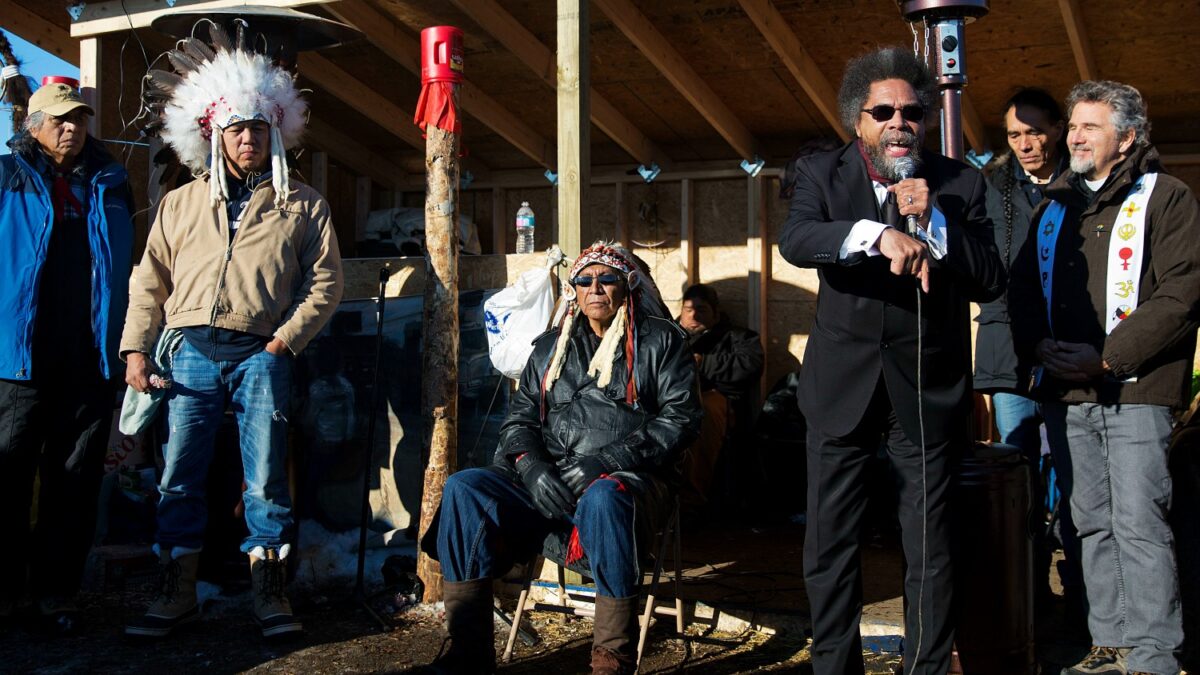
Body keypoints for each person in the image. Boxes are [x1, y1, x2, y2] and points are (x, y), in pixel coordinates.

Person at [778, 47, 1003, 674]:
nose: (898, 122)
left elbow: (988, 278)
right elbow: (796, 241)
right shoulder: (825, 175)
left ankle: (925, 668)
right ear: (859, 121)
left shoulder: (961, 183)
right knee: (830, 544)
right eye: (884, 111)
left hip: (926, 388)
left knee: (929, 546)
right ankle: (835, 667)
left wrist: (933, 222)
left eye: (911, 112)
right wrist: (877, 234)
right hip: (840, 385)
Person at [121, 42, 343, 638]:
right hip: (189, 349)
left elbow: (325, 283)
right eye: (237, 129)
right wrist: (136, 350)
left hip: (262, 353)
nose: (248, 138)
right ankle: (175, 592)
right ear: (215, 134)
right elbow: (150, 280)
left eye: (259, 128)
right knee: (178, 472)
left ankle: (269, 595)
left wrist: (282, 343)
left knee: (267, 475)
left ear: (276, 131)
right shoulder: (179, 204)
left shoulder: (305, 206)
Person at [424, 241, 701, 675]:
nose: (595, 288)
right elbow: (519, 422)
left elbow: (681, 419)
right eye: (585, 280)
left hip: (625, 480)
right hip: (550, 482)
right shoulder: (549, 347)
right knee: (464, 488)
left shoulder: (661, 341)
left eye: (607, 278)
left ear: (626, 285)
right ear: (572, 289)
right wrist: (531, 469)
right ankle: (468, 654)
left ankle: (611, 659)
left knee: (605, 497)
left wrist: (605, 461)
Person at [1010, 80, 1199, 675]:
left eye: (1090, 126)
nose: (1075, 136)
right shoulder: (1053, 207)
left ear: (1128, 137)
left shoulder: (1165, 198)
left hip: (1135, 389)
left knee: (1139, 521)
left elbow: (1182, 293)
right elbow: (1020, 291)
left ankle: (1152, 654)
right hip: (1066, 392)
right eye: (1073, 126)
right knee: (1087, 520)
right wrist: (1036, 342)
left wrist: (1109, 358)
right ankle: (1110, 642)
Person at [0, 81, 134, 633]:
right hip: (17, 359)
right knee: (7, 476)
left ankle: (58, 592)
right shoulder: (5, 178)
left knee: (74, 479)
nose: (72, 128)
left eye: (79, 118)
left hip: (89, 357)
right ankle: (6, 593)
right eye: (59, 119)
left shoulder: (112, 180)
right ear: (32, 124)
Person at [975, 88, 1082, 616]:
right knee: (1019, 470)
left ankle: (1081, 588)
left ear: (1058, 128)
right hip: (1010, 348)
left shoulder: (1086, 182)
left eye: (1035, 131)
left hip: (1070, 349)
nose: (1025, 143)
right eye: (1015, 134)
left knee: (1072, 470)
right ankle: (1030, 592)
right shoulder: (993, 186)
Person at [676, 283, 763, 507]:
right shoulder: (668, 336)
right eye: (688, 309)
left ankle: (691, 500)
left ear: (715, 313)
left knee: (701, 413)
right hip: (673, 398)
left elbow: (750, 364)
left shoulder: (737, 337)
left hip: (715, 398)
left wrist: (704, 363)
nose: (694, 315)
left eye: (701, 309)